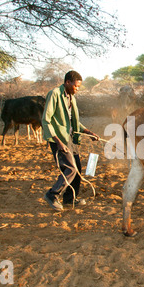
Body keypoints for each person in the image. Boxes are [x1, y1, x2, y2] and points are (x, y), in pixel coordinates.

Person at [42, 70, 100, 211]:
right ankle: (52, 194)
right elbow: (46, 120)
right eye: (76, 86)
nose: (77, 89)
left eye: (79, 87)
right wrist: (58, 142)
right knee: (70, 169)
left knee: (78, 168)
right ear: (67, 82)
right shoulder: (54, 94)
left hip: (71, 138)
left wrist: (88, 132)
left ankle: (70, 200)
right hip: (59, 138)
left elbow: (74, 122)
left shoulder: (71, 98)